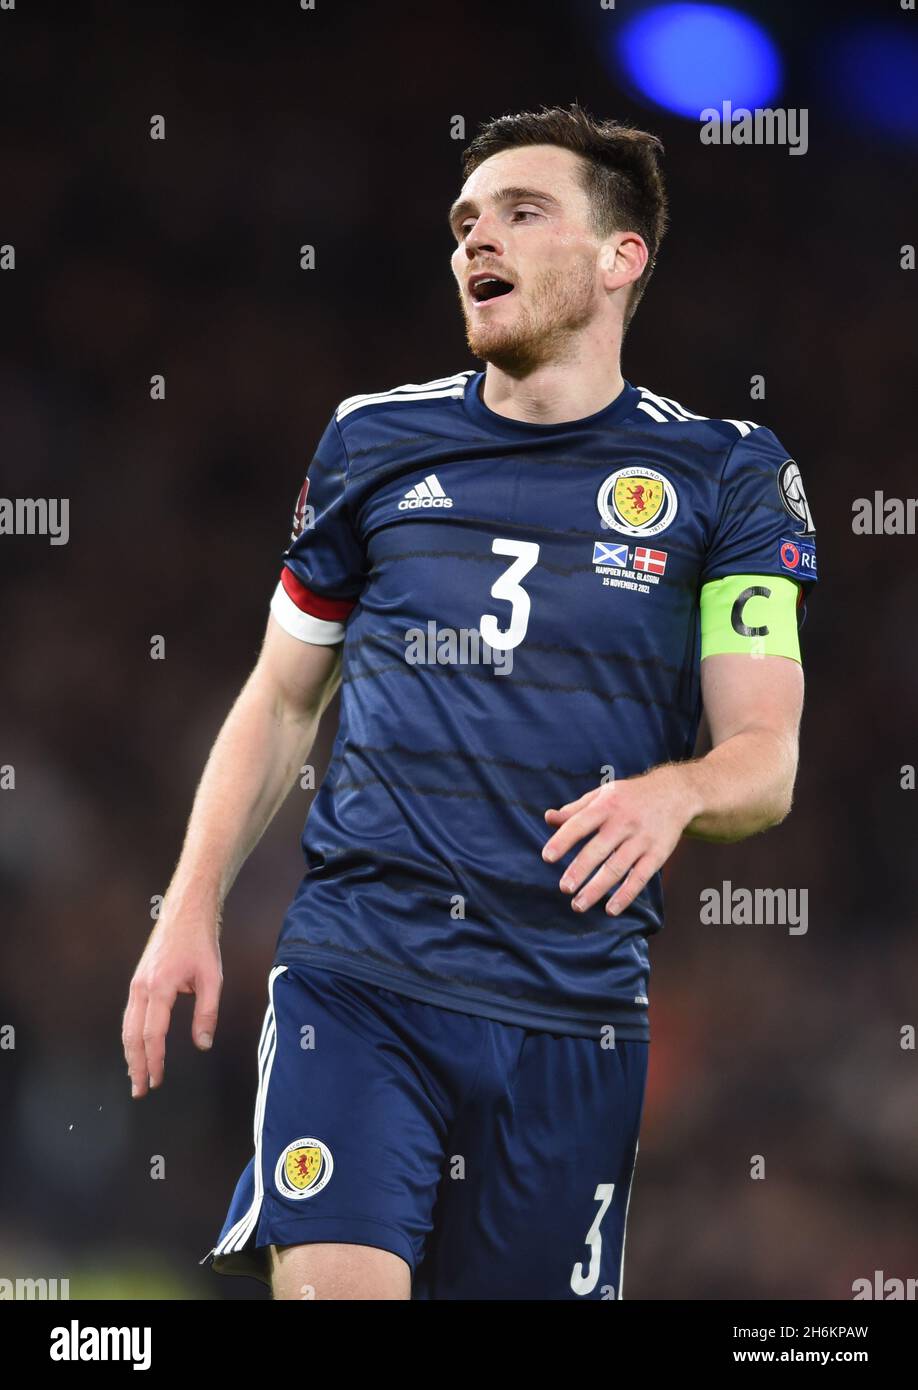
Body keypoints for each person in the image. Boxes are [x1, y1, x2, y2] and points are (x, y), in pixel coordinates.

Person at [122, 103, 818, 1300]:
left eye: (520, 211)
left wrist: (678, 793)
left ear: (620, 257)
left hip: (573, 1014)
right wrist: (188, 904)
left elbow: (767, 756)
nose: (474, 239)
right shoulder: (371, 444)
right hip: (362, 976)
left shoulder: (726, 475)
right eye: (463, 221)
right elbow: (285, 700)